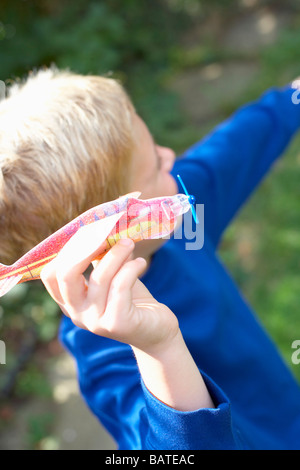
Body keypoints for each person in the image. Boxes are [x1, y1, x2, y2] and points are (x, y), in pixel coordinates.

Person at [1, 67, 300, 449]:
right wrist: (159, 348)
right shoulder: (102, 350)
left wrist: (292, 97)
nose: (171, 155)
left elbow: (235, 148)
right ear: (112, 231)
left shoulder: (180, 220)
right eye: (155, 165)